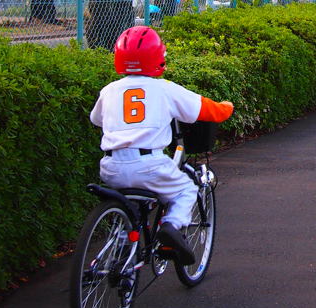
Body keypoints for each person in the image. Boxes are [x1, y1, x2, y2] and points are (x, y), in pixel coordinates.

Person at [90, 25, 234, 265]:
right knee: (186, 190)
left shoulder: (109, 91)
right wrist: (227, 106)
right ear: (158, 57)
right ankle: (171, 227)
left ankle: (125, 242)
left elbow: (96, 119)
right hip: (149, 165)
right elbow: (208, 110)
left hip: (112, 167)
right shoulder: (164, 89)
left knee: (131, 203)